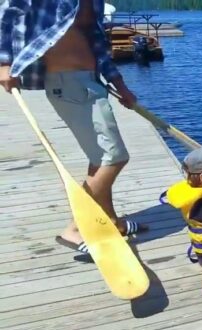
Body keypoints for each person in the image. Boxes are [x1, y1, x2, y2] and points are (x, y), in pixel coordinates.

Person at [1, 0, 143, 254]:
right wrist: (3, 63)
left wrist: (121, 86)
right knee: (116, 156)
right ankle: (75, 228)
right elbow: (6, 12)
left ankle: (110, 221)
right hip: (68, 83)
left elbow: (98, 45)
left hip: (89, 82)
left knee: (100, 158)